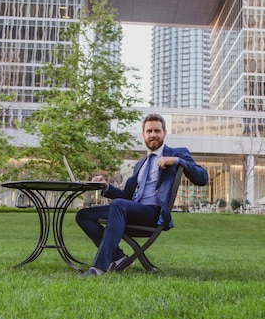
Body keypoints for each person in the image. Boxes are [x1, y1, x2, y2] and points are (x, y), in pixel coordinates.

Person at [76, 113, 209, 276]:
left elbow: (203, 178)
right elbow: (126, 198)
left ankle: (99, 268)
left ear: (164, 133)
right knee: (83, 215)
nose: (153, 135)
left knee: (118, 205)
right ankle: (117, 257)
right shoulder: (140, 165)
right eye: (149, 131)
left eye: (157, 131)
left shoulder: (177, 153)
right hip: (132, 211)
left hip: (153, 214)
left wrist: (176, 161)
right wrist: (106, 186)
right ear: (143, 135)